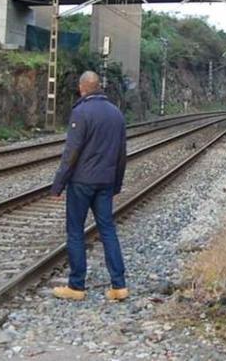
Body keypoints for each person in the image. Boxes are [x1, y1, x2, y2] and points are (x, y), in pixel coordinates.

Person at [50, 71, 128, 301]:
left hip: (82, 182)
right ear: (99, 87)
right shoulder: (116, 113)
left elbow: (71, 152)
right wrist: (117, 183)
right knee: (107, 230)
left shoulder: (81, 112)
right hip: (105, 181)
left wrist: (58, 184)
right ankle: (119, 285)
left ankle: (76, 286)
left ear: (83, 87)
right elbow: (122, 154)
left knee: (75, 231)